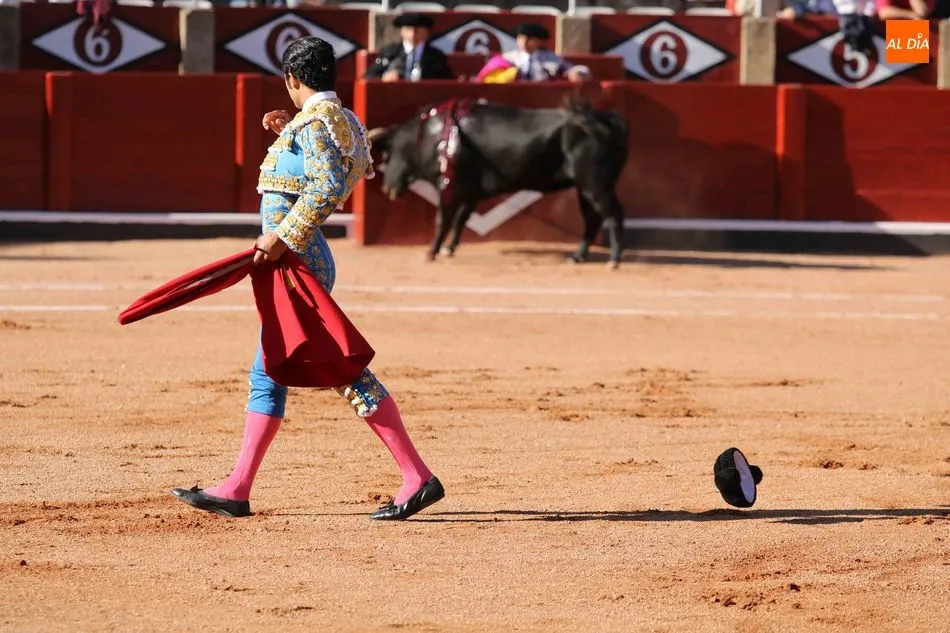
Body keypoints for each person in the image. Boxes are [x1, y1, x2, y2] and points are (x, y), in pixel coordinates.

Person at [171, 36, 444, 522]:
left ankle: (416, 475)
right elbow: (351, 163)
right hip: (297, 258)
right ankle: (238, 486)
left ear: (293, 80)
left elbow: (328, 185)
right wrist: (289, 126)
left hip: (297, 259)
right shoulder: (341, 120)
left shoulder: (318, 123)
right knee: (270, 369)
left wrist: (282, 237)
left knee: (340, 368)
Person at [475, 22, 590, 84]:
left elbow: (573, 70)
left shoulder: (550, 59)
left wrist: (578, 73)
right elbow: (486, 79)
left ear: (539, 41)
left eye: (529, 38)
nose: (524, 42)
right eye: (520, 38)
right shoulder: (506, 58)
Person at [363, 13, 454, 82]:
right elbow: (369, 76)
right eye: (408, 29)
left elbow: (447, 81)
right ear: (402, 32)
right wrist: (384, 78)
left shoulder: (436, 56)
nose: (413, 33)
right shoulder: (389, 52)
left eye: (417, 30)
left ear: (426, 32)